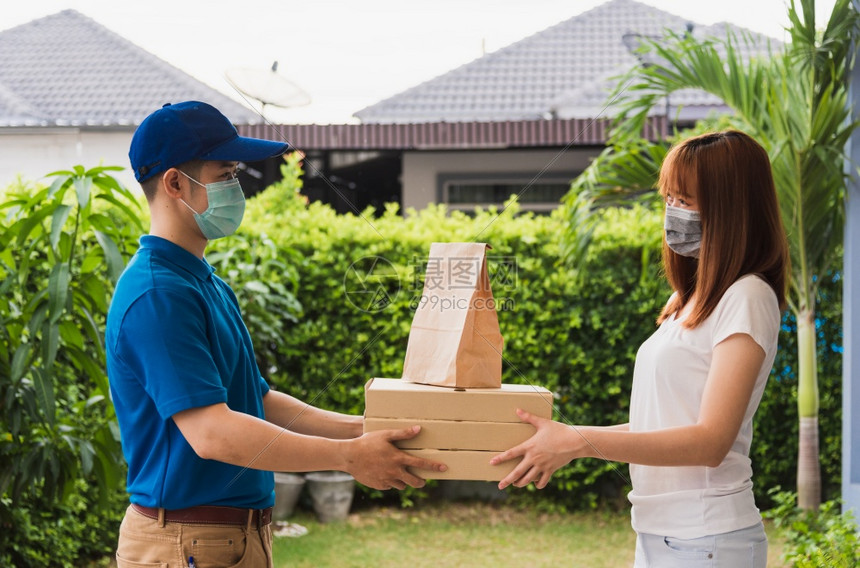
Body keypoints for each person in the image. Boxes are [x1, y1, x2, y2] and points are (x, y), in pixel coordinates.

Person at [107, 101, 446, 568]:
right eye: (225, 173)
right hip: (186, 542)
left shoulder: (201, 281)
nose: (236, 188)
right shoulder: (158, 294)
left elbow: (256, 402)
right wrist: (347, 457)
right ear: (174, 183)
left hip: (226, 539)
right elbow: (211, 433)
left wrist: (365, 429)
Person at [491, 130, 789, 567]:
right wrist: (567, 440)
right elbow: (662, 423)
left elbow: (710, 441)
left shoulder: (747, 298)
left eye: (687, 200)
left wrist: (579, 441)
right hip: (662, 535)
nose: (674, 212)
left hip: (706, 538)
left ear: (731, 210)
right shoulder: (691, 300)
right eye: (670, 198)